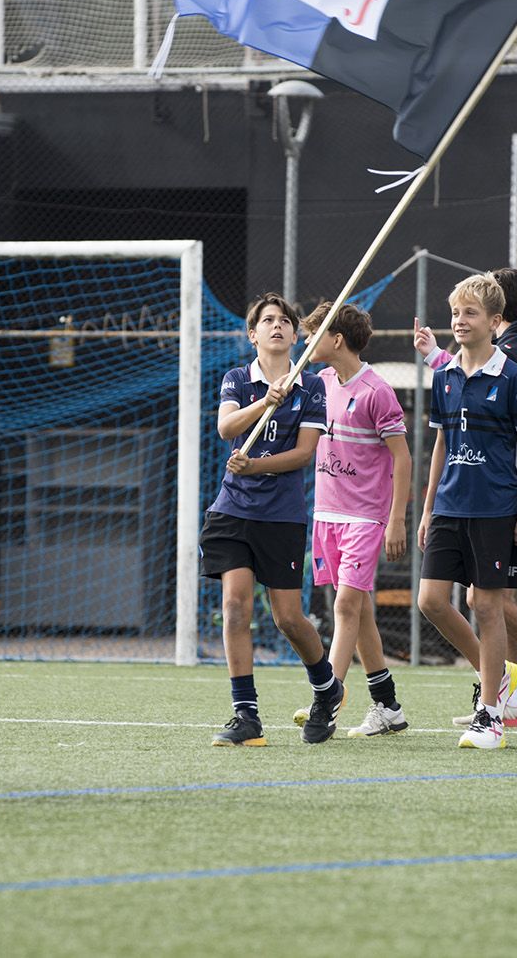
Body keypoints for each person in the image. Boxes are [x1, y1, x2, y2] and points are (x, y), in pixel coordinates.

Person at [415, 266, 517, 724]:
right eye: (456, 313)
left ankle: (491, 711)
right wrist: (426, 509)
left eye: (471, 313)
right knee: (431, 601)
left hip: (495, 507)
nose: (460, 320)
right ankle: (499, 680)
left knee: (486, 604)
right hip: (448, 505)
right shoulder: (444, 376)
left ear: (494, 318)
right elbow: (442, 443)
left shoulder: (512, 375)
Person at [193, 292, 331, 748]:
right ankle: (245, 714)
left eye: (285, 321)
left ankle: (327, 688)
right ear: (253, 334)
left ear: (296, 334)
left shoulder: (311, 387)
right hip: (232, 511)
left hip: (281, 517)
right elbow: (227, 428)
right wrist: (265, 401)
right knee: (235, 604)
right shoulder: (237, 379)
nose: (277, 326)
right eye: (267, 321)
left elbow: (305, 454)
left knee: (288, 618)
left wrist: (255, 466)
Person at [291, 302, 411, 739]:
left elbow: (402, 457)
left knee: (345, 604)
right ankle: (387, 703)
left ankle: (329, 696)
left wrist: (396, 518)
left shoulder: (377, 391)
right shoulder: (320, 382)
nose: (306, 343)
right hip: (327, 512)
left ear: (336, 339)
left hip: (365, 515)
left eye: (313, 335)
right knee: (356, 611)